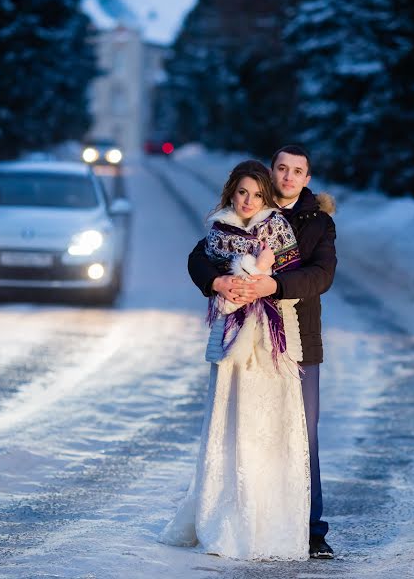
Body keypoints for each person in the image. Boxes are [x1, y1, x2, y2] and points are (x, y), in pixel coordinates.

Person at [187, 145, 337, 559]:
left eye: (298, 171)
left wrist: (274, 286)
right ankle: (244, 516)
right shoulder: (247, 210)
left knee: (301, 435)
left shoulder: (316, 222)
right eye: (282, 169)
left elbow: (321, 275)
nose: (288, 177)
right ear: (271, 173)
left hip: (296, 341)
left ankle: (310, 530)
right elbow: (199, 257)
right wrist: (215, 283)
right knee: (246, 430)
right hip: (244, 342)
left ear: (307, 178)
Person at [159, 160, 311, 560]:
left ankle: (272, 520)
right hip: (229, 337)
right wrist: (227, 284)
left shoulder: (278, 228)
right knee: (232, 419)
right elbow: (204, 268)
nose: (248, 201)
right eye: (242, 192)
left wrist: (263, 280)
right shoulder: (218, 232)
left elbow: (292, 279)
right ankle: (226, 513)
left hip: (271, 339)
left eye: (257, 195)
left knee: (269, 423)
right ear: (231, 192)